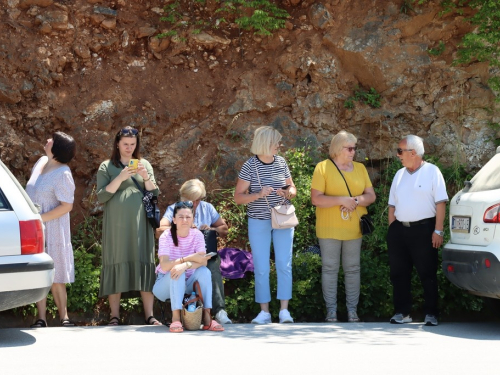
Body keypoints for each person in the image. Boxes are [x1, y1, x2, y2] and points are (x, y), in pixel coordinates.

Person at [96, 126, 161, 326]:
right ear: (117, 144)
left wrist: (146, 176)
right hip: (116, 225)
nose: (129, 148)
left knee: (143, 260)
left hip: (140, 223)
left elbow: (154, 193)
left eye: (133, 145)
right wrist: (121, 177)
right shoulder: (106, 166)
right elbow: (102, 195)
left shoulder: (144, 164)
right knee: (116, 259)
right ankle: (114, 315)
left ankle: (150, 315)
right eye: (125, 144)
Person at [311, 130, 376, 323]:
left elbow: (371, 196)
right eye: (349, 148)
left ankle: (352, 311)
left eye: (354, 148)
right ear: (338, 149)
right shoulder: (323, 168)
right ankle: (331, 311)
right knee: (330, 268)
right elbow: (316, 199)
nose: (353, 151)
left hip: (354, 227)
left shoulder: (360, 169)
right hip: (329, 227)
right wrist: (342, 200)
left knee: (353, 268)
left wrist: (355, 200)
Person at [234, 126, 296, 324]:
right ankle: (265, 312)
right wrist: (258, 194)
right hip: (258, 220)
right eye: (276, 142)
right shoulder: (250, 166)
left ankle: (284, 310)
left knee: (284, 264)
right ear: (265, 143)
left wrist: (288, 192)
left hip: (282, 217)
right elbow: (238, 197)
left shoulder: (281, 162)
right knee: (261, 266)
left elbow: (292, 187)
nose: (279, 145)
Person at [387, 135, 448, 326]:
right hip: (400, 230)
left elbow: (440, 203)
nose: (398, 156)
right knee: (399, 274)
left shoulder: (432, 171)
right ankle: (402, 312)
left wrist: (438, 231)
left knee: (427, 273)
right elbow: (392, 206)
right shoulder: (399, 174)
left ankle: (431, 313)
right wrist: (392, 230)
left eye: (400, 151)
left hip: (424, 229)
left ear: (413, 153)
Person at [157, 179, 232, 325]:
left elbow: (224, 229)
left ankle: (218, 311)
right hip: (179, 258)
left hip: (201, 256)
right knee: (182, 270)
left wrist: (211, 229)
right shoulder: (175, 208)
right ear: (183, 198)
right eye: (191, 200)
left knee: (211, 264)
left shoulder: (207, 208)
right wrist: (184, 227)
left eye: (198, 200)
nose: (195, 204)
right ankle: (178, 317)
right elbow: (160, 230)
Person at [26, 132, 77, 327]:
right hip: (35, 227)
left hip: (53, 227)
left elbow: (67, 205)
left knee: (56, 275)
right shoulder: (40, 163)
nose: (47, 140)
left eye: (52, 140)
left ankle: (64, 317)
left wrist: (41, 219)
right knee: (39, 273)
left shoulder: (63, 173)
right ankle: (41, 318)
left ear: (57, 149)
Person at [152, 201, 224, 332]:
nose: (184, 220)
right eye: (180, 217)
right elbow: (165, 265)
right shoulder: (166, 236)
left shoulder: (197, 235)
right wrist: (188, 260)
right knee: (177, 271)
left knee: (204, 271)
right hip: (164, 285)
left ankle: (207, 318)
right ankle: (176, 319)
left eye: (188, 217)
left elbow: (203, 261)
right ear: (173, 219)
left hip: (189, 283)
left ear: (193, 219)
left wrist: (185, 265)